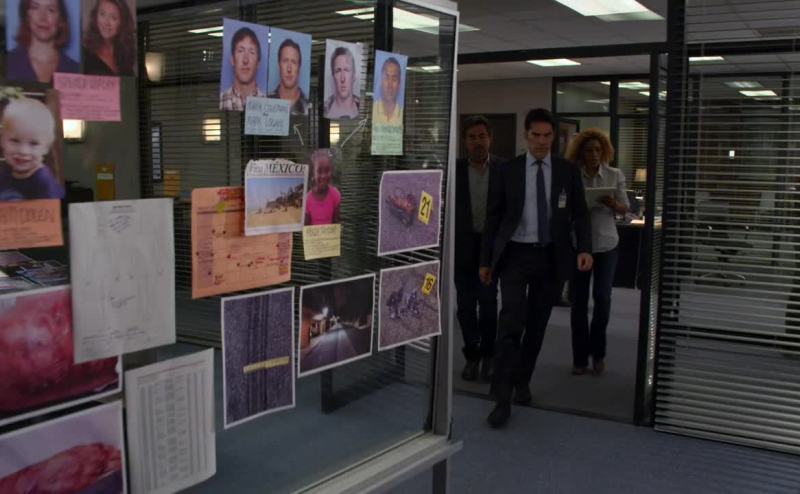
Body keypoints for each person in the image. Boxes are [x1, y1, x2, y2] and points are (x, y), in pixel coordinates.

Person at [480, 108, 592, 428]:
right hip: (515, 255)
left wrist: (584, 248)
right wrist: (486, 261)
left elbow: (580, 213)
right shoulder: (508, 170)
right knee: (510, 323)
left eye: (547, 136)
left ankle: (522, 381)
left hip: (551, 257)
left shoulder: (567, 171)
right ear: (525, 136)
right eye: (536, 135)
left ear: (553, 136)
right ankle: (502, 397)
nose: (542, 142)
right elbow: (493, 217)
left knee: (537, 326)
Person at [565, 129, 629, 376]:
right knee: (579, 302)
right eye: (589, 150)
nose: (594, 154)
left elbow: (625, 208)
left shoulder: (614, 174)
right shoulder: (572, 175)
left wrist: (612, 203)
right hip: (580, 245)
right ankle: (580, 358)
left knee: (603, 298)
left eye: (598, 150)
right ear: (581, 152)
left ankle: (598, 353)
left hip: (607, 244)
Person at [455, 116, 499, 382]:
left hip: (490, 248)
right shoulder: (455, 170)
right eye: (472, 137)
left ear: (490, 139)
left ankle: (489, 355)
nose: (477, 141)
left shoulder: (503, 169)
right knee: (465, 307)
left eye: (482, 136)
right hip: (462, 247)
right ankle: (472, 356)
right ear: (465, 142)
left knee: (489, 305)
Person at [0, 97, 64, 200]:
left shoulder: (43, 182)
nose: (23, 151)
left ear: (46, 147)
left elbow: (52, 209)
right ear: (2, 140)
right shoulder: (6, 172)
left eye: (34, 143)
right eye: (15, 140)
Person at [7, 0, 80, 83]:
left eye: (51, 10)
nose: (43, 18)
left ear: (60, 20)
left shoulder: (75, 70)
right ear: (26, 16)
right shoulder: (8, 62)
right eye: (35, 7)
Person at [82, 0, 136, 76]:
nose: (106, 22)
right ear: (96, 16)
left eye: (113, 18)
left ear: (122, 23)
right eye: (102, 14)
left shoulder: (124, 54)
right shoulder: (84, 53)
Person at [220, 27, 265, 111]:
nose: (245, 60)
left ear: (258, 63)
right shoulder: (222, 101)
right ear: (232, 60)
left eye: (251, 52)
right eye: (240, 51)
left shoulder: (267, 104)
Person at [268, 38, 308, 114]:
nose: (289, 69)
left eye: (293, 62)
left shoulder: (307, 106)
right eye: (285, 61)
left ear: (299, 68)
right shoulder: (266, 102)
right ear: (279, 65)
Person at [304, 149, 341, 225]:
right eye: (319, 171)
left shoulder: (335, 195)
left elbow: (336, 222)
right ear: (313, 174)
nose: (323, 176)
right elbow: (306, 227)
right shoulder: (307, 199)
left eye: (327, 170)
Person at [324, 46, 360, 119]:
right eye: (338, 71)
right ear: (333, 76)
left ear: (353, 75)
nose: (342, 79)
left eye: (346, 70)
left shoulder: (363, 108)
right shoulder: (324, 109)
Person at [372, 57, 403, 125]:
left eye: (394, 79)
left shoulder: (402, 114)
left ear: (399, 84)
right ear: (381, 82)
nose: (390, 85)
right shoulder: (372, 111)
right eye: (386, 78)